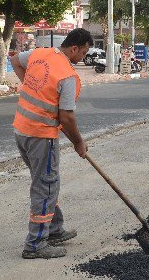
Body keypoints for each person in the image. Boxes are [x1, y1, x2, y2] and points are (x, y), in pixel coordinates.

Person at [10, 28, 93, 259]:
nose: (83, 58)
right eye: (84, 53)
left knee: (46, 183)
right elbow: (66, 117)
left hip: (21, 130)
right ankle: (35, 244)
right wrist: (78, 143)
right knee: (45, 187)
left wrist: (31, 85)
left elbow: (16, 61)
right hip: (40, 136)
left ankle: (54, 230)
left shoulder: (41, 53)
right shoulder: (67, 75)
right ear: (74, 48)